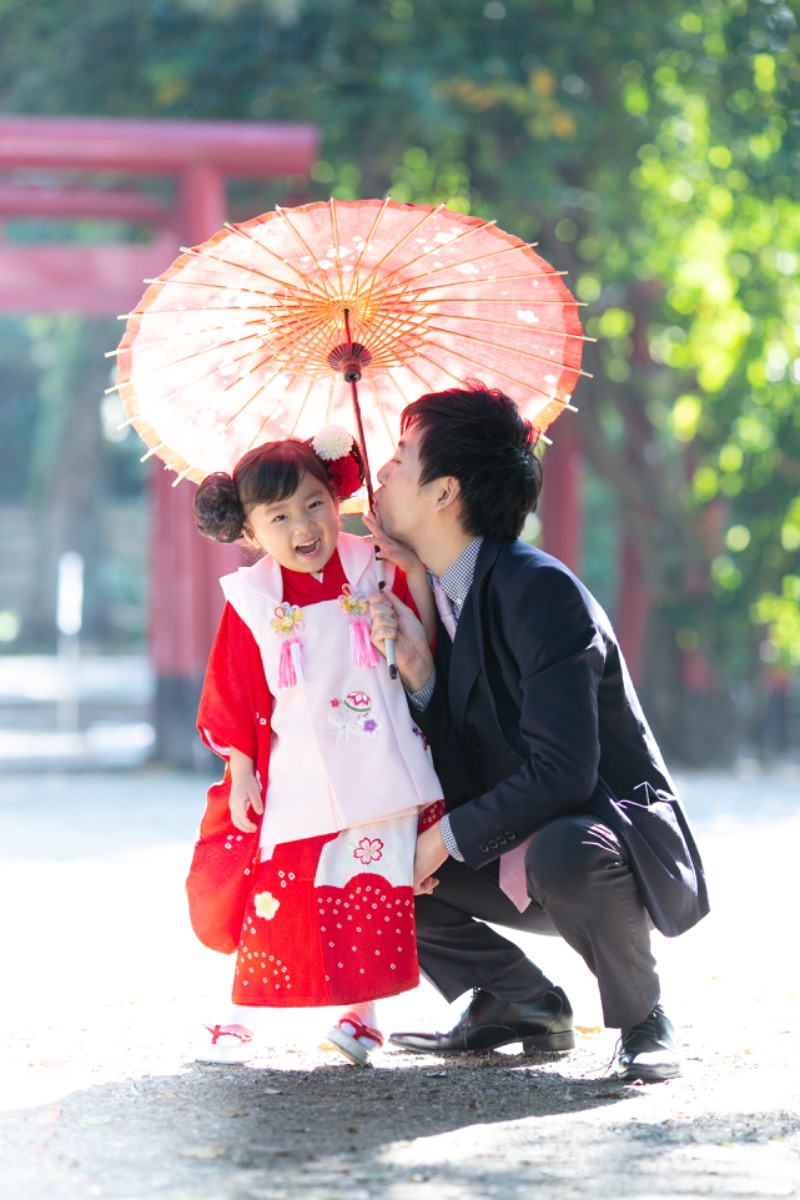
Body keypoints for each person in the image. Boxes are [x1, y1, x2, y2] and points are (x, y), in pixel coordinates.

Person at [365, 383, 709, 1083]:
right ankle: (520, 1002)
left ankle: (644, 1016)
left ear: (444, 492)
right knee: (368, 856)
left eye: (401, 456)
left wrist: (436, 843)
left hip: (596, 841)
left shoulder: (537, 591)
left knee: (562, 849)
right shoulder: (447, 591)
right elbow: (472, 758)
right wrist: (423, 674)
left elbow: (563, 774)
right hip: (513, 843)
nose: (382, 471)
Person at [186, 426, 444, 1067]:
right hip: (299, 767)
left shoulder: (376, 564)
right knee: (280, 889)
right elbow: (236, 687)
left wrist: (402, 602)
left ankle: (363, 1016)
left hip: (379, 759)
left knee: (369, 887)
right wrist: (241, 769)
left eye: (314, 504)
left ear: (338, 499)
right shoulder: (252, 600)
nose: (303, 525)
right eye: (279, 516)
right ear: (250, 532)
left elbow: (426, 647)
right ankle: (241, 1011)